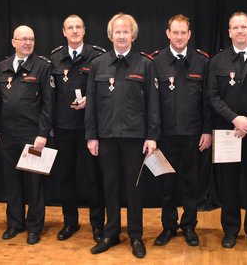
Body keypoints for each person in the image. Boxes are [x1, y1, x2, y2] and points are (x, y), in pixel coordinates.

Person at [85, 13, 160, 259]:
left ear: (133, 36)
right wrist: (91, 136)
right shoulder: (98, 64)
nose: (121, 35)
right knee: (110, 186)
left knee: (134, 188)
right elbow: (91, 103)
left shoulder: (145, 64)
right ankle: (111, 233)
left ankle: (136, 235)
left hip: (135, 138)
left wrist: (152, 136)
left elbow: (153, 103)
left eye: (126, 31)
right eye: (117, 31)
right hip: (106, 137)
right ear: (110, 35)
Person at [206, 11, 247, 250]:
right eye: (235, 27)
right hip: (227, 132)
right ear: (229, 32)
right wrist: (235, 119)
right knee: (228, 184)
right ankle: (230, 230)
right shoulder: (218, 61)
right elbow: (212, 96)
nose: (240, 31)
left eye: (244, 26)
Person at [151, 14, 212, 247]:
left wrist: (207, 130)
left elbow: (207, 100)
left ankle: (188, 226)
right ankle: (168, 226)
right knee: (166, 184)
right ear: (168, 33)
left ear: (189, 34)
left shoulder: (202, 61)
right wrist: (152, 135)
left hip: (193, 135)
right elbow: (151, 102)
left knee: (192, 184)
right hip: (165, 136)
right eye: (174, 32)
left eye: (183, 32)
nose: (179, 36)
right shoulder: (155, 61)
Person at [0, 25, 54, 245]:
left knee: (34, 184)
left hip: (32, 136)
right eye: (23, 39)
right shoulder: (1, 67)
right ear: (14, 42)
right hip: (7, 136)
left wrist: (43, 133)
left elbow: (48, 104)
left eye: (31, 39)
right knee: (11, 182)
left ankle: (34, 227)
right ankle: (15, 223)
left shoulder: (43, 66)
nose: (27, 43)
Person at [49, 15, 106, 242]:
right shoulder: (55, 58)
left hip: (89, 128)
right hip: (63, 128)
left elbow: (106, 90)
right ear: (64, 32)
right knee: (66, 177)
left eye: (78, 27)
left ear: (84, 30)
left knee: (94, 178)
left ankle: (97, 225)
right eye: (70, 28)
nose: (74, 31)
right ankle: (69, 222)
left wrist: (90, 101)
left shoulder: (97, 56)